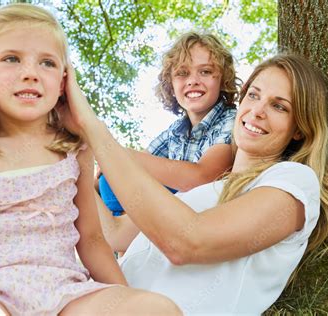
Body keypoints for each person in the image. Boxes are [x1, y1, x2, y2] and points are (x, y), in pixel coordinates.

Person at [0, 4, 182, 316]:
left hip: (63, 292)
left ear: (64, 81)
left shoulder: (73, 151)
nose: (30, 73)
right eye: (11, 59)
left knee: (157, 308)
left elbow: (91, 240)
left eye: (47, 63)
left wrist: (124, 297)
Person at [59, 53, 328, 314]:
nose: (257, 110)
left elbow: (187, 242)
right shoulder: (206, 192)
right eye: (253, 95)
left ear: (299, 129)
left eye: (279, 106)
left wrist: (95, 131)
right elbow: (114, 234)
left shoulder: (294, 181)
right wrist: (73, 151)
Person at [96, 32, 238, 250]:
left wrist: (116, 153)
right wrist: (103, 172)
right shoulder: (175, 131)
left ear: (223, 79)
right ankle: (127, 244)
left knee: (121, 169)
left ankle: (127, 240)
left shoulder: (231, 120)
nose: (193, 80)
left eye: (206, 71)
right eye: (182, 73)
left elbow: (201, 177)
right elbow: (135, 164)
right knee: (108, 181)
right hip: (163, 219)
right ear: (171, 84)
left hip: (197, 224)